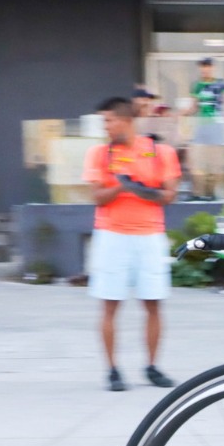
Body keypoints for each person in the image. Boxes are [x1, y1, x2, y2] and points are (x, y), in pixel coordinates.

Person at [83, 96, 182, 392]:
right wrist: (121, 183)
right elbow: (96, 196)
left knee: (153, 304)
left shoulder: (158, 151)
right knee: (109, 306)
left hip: (150, 235)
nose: (106, 126)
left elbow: (168, 194)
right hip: (111, 235)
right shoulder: (99, 154)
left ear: (125, 120)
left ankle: (152, 366)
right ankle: (112, 370)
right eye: (104, 121)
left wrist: (139, 187)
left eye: (109, 120)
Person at [188, 58, 224, 200]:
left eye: (207, 67)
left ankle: (215, 193)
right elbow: (194, 106)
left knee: (216, 161)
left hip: (216, 124)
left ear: (212, 68)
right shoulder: (197, 85)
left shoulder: (221, 84)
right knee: (197, 160)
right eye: (202, 67)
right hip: (201, 125)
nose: (204, 70)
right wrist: (179, 114)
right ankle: (197, 193)